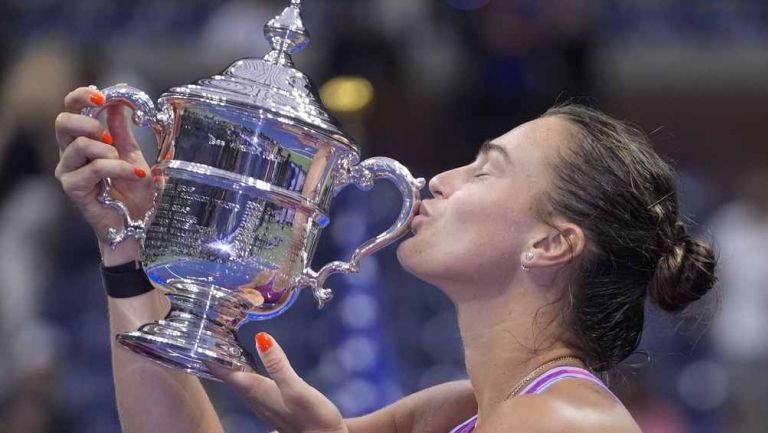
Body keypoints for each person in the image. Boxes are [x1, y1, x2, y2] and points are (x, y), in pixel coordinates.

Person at [54, 86, 716, 433]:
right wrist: (128, 240)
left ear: (550, 244)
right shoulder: (462, 408)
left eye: (487, 169)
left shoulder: (563, 421)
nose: (440, 180)